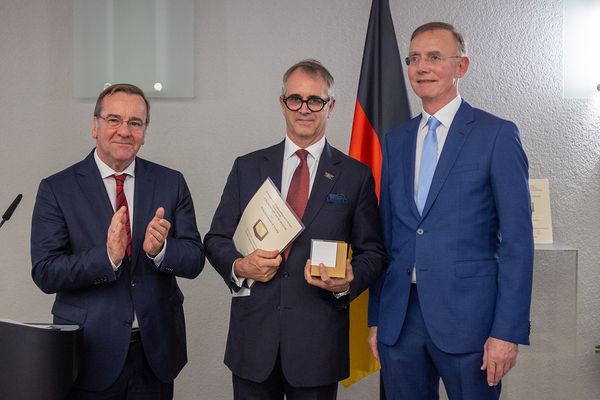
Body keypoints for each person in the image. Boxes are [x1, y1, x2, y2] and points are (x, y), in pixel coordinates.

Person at [368, 22, 534, 400]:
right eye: (414, 58)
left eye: (434, 57)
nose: (421, 67)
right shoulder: (396, 141)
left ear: (462, 67)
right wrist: (377, 317)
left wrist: (507, 331)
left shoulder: (496, 135)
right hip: (400, 321)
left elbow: (518, 243)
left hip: (471, 324)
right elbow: (387, 238)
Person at [205, 59, 386, 400]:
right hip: (253, 344)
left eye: (315, 100)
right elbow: (216, 239)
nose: (304, 109)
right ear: (282, 103)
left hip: (317, 347)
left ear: (330, 106)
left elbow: (373, 253)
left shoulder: (355, 175)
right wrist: (239, 266)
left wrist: (348, 280)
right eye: (295, 99)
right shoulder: (247, 167)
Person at [31, 83, 205, 399]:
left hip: (155, 354)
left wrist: (161, 250)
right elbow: (45, 271)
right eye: (114, 120)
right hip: (89, 354)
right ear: (95, 126)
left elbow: (194, 258)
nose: (124, 131)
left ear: (144, 131)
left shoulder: (171, 182)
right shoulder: (57, 188)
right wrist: (107, 258)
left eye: (135, 123)